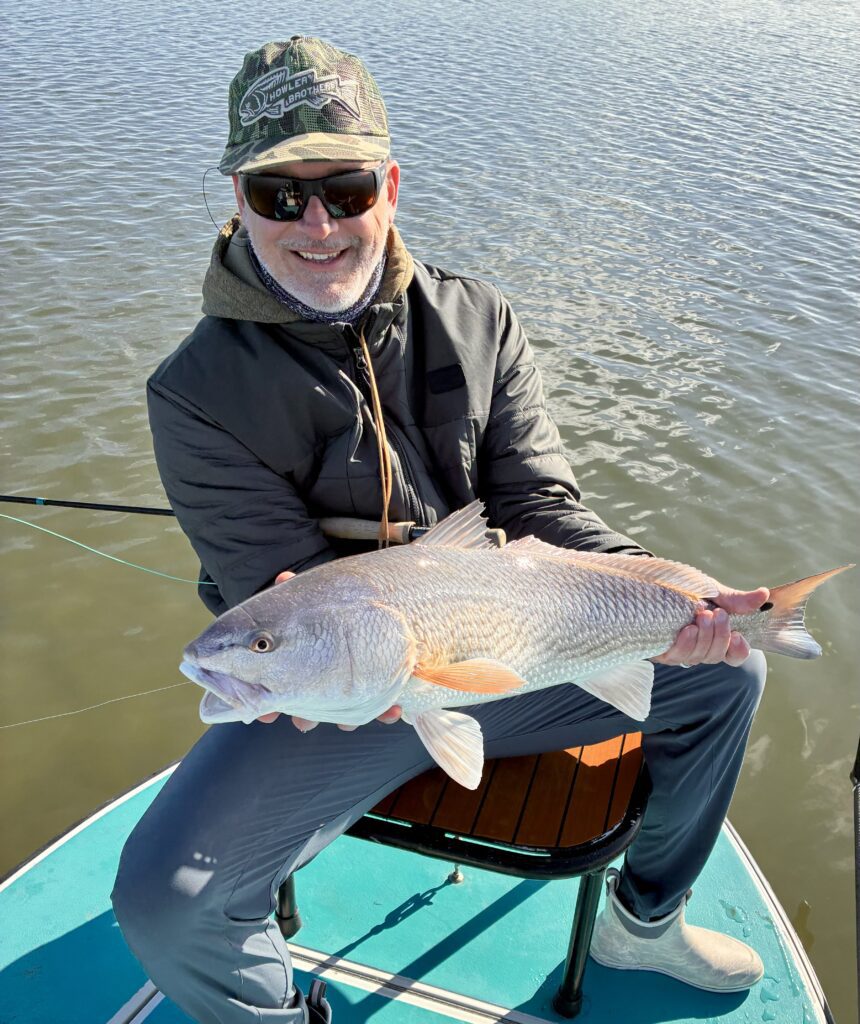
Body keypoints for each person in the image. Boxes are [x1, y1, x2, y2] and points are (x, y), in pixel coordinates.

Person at [111, 37, 768, 1023]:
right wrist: (362, 674)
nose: (320, 223)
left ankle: (642, 921)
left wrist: (656, 590)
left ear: (391, 183)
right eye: (281, 195)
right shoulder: (194, 392)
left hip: (508, 654)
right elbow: (274, 586)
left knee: (727, 668)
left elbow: (543, 508)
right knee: (164, 902)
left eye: (347, 185)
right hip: (338, 698)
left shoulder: (478, 319)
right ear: (238, 199)